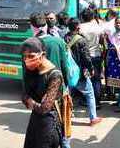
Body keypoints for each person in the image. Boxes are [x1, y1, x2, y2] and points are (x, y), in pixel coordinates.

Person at [29, 12, 71, 148]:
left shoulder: (30, 45)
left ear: (32, 27)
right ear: (46, 25)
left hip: (40, 96)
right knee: (63, 126)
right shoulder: (58, 41)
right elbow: (65, 69)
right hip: (59, 93)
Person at [21, 37, 63, 148]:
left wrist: (31, 101)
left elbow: (45, 108)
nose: (27, 60)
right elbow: (24, 95)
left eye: (31, 56)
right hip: (34, 120)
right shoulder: (32, 71)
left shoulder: (54, 75)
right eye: (24, 57)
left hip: (48, 124)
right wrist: (33, 102)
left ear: (42, 54)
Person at [64, 18, 102, 126]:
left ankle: (66, 116)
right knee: (90, 94)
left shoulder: (65, 37)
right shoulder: (81, 40)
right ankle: (93, 118)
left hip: (69, 72)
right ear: (78, 27)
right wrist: (91, 69)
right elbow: (86, 58)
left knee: (68, 94)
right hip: (80, 72)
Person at [79, 8, 104, 107]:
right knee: (96, 79)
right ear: (92, 17)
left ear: (82, 17)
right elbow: (102, 40)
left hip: (84, 56)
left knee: (85, 78)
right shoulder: (97, 27)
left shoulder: (80, 28)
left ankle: (87, 100)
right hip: (96, 55)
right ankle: (97, 101)